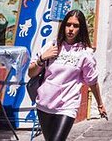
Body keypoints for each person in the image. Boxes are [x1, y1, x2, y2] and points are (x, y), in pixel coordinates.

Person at [28, 9, 107, 141]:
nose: (71, 29)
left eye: (75, 26)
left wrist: (100, 104)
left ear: (81, 29)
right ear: (63, 26)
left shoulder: (85, 54)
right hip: (44, 104)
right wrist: (42, 58)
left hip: (67, 106)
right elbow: (31, 73)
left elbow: (92, 81)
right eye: (68, 24)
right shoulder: (51, 46)